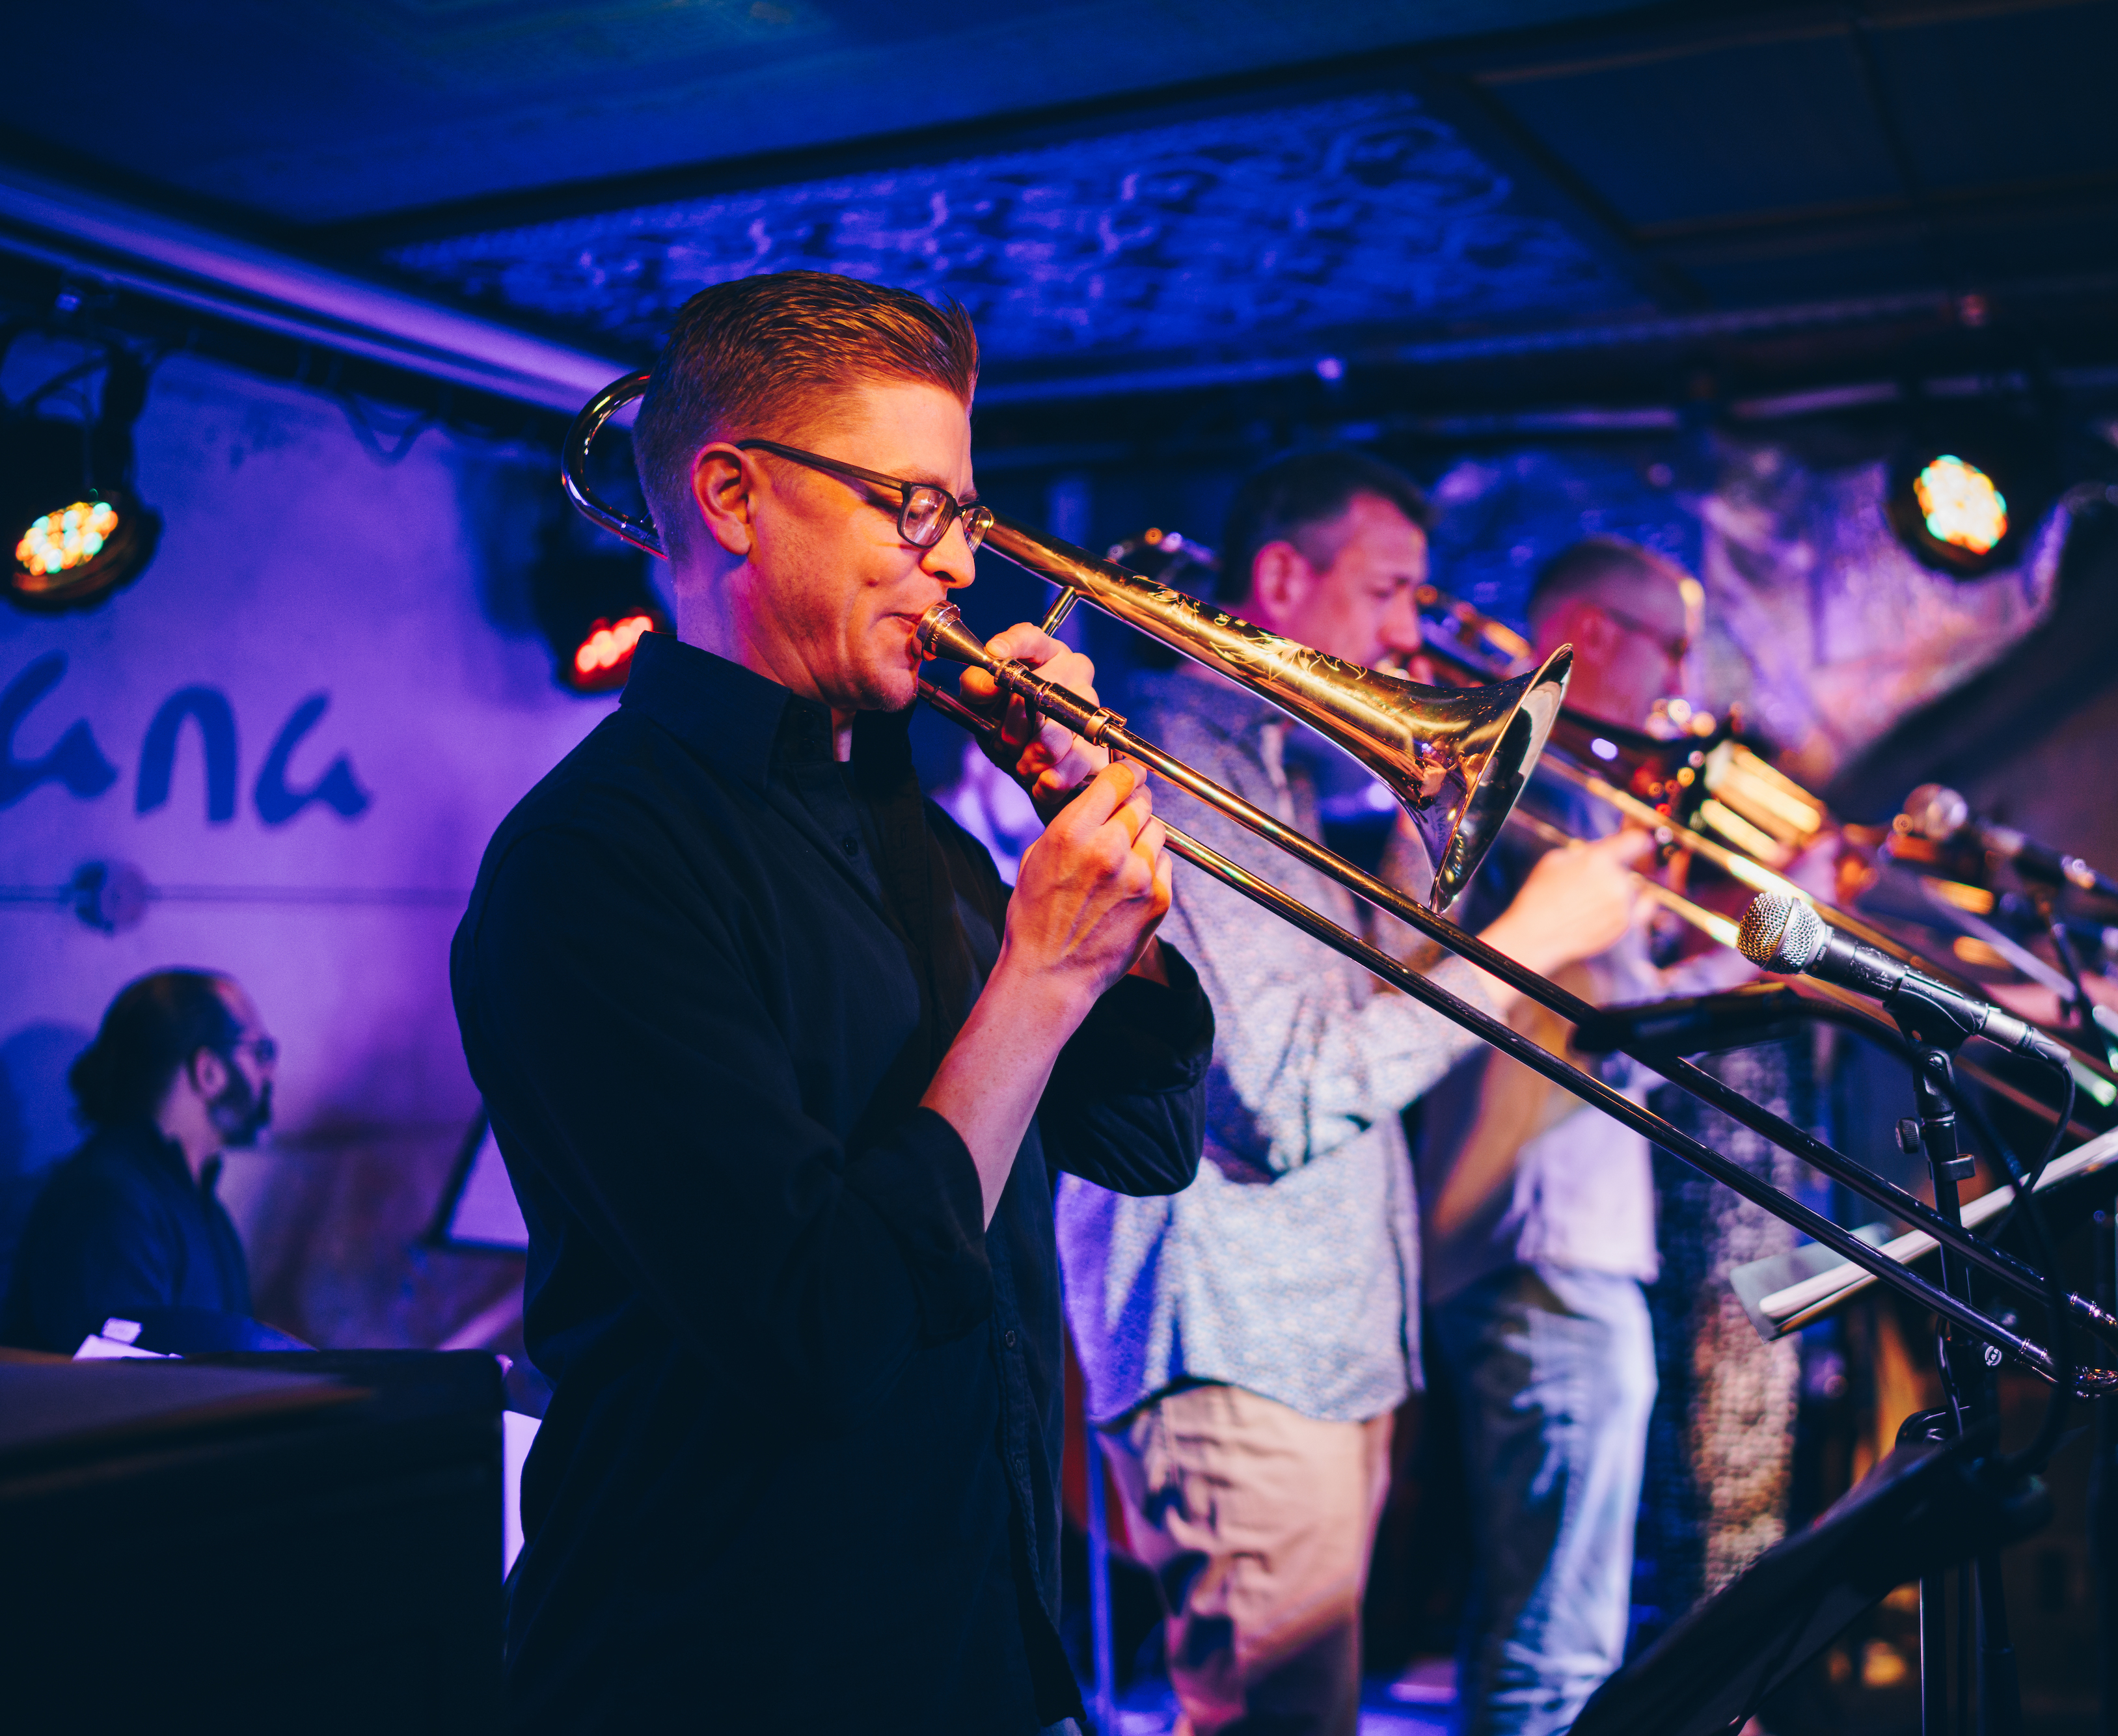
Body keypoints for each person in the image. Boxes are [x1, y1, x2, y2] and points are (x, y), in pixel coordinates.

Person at [451, 271, 1214, 1735]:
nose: (959, 567)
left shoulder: (911, 825)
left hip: (972, 1646)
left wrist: (1087, 841)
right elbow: (821, 1324)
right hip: (725, 1670)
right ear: (735, 496)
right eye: (911, 506)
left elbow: (1146, 1137)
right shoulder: (592, 861)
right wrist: (1041, 967)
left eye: (965, 517)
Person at [1059, 453, 1651, 1736]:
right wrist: (1533, 940)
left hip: (1316, 1340)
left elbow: (1352, 1013)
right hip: (1235, 1340)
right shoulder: (1172, 760)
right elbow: (1281, 1097)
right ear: (1281, 576)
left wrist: (1418, 831)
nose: (1403, 633)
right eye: (1386, 591)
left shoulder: (1269, 766)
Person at [1413, 536, 1698, 1735]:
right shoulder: (1542, 789)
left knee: (1543, 1614)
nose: (1680, 683)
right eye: (1668, 645)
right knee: (1560, 1643)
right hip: (1543, 1244)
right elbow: (1573, 1017)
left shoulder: (1580, 793)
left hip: (1547, 1243)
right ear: (1593, 624)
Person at [2, 968, 283, 1355]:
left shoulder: (198, 1206)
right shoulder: (107, 1201)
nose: (269, 1071)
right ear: (209, 1072)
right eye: (260, 1052)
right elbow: (121, 1391)